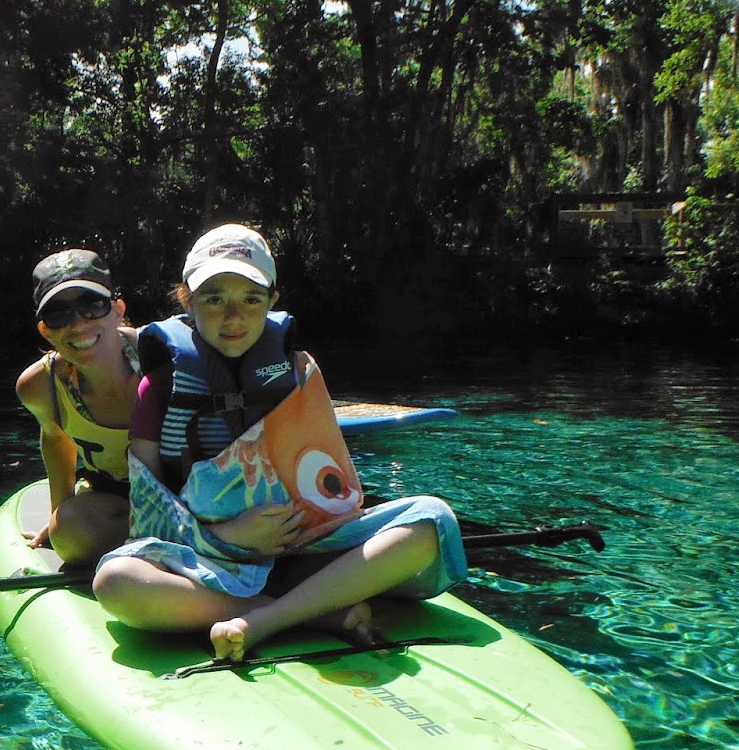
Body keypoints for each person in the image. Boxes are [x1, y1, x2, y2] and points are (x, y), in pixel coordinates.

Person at [92, 223, 467, 661]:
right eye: (214, 300)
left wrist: (310, 529)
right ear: (187, 302)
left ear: (272, 301)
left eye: (251, 299)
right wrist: (228, 535)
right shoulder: (157, 389)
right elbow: (147, 514)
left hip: (305, 548)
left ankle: (267, 620)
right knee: (115, 581)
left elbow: (335, 486)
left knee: (432, 520)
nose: (233, 317)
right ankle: (312, 612)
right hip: (209, 558)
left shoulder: (299, 375)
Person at [15, 248, 141, 565]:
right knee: (70, 537)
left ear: (117, 310)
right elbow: (56, 437)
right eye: (59, 314)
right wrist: (60, 514)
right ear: (45, 329)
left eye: (92, 306)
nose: (78, 324)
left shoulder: (164, 359)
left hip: (186, 496)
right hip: (117, 501)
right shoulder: (39, 386)